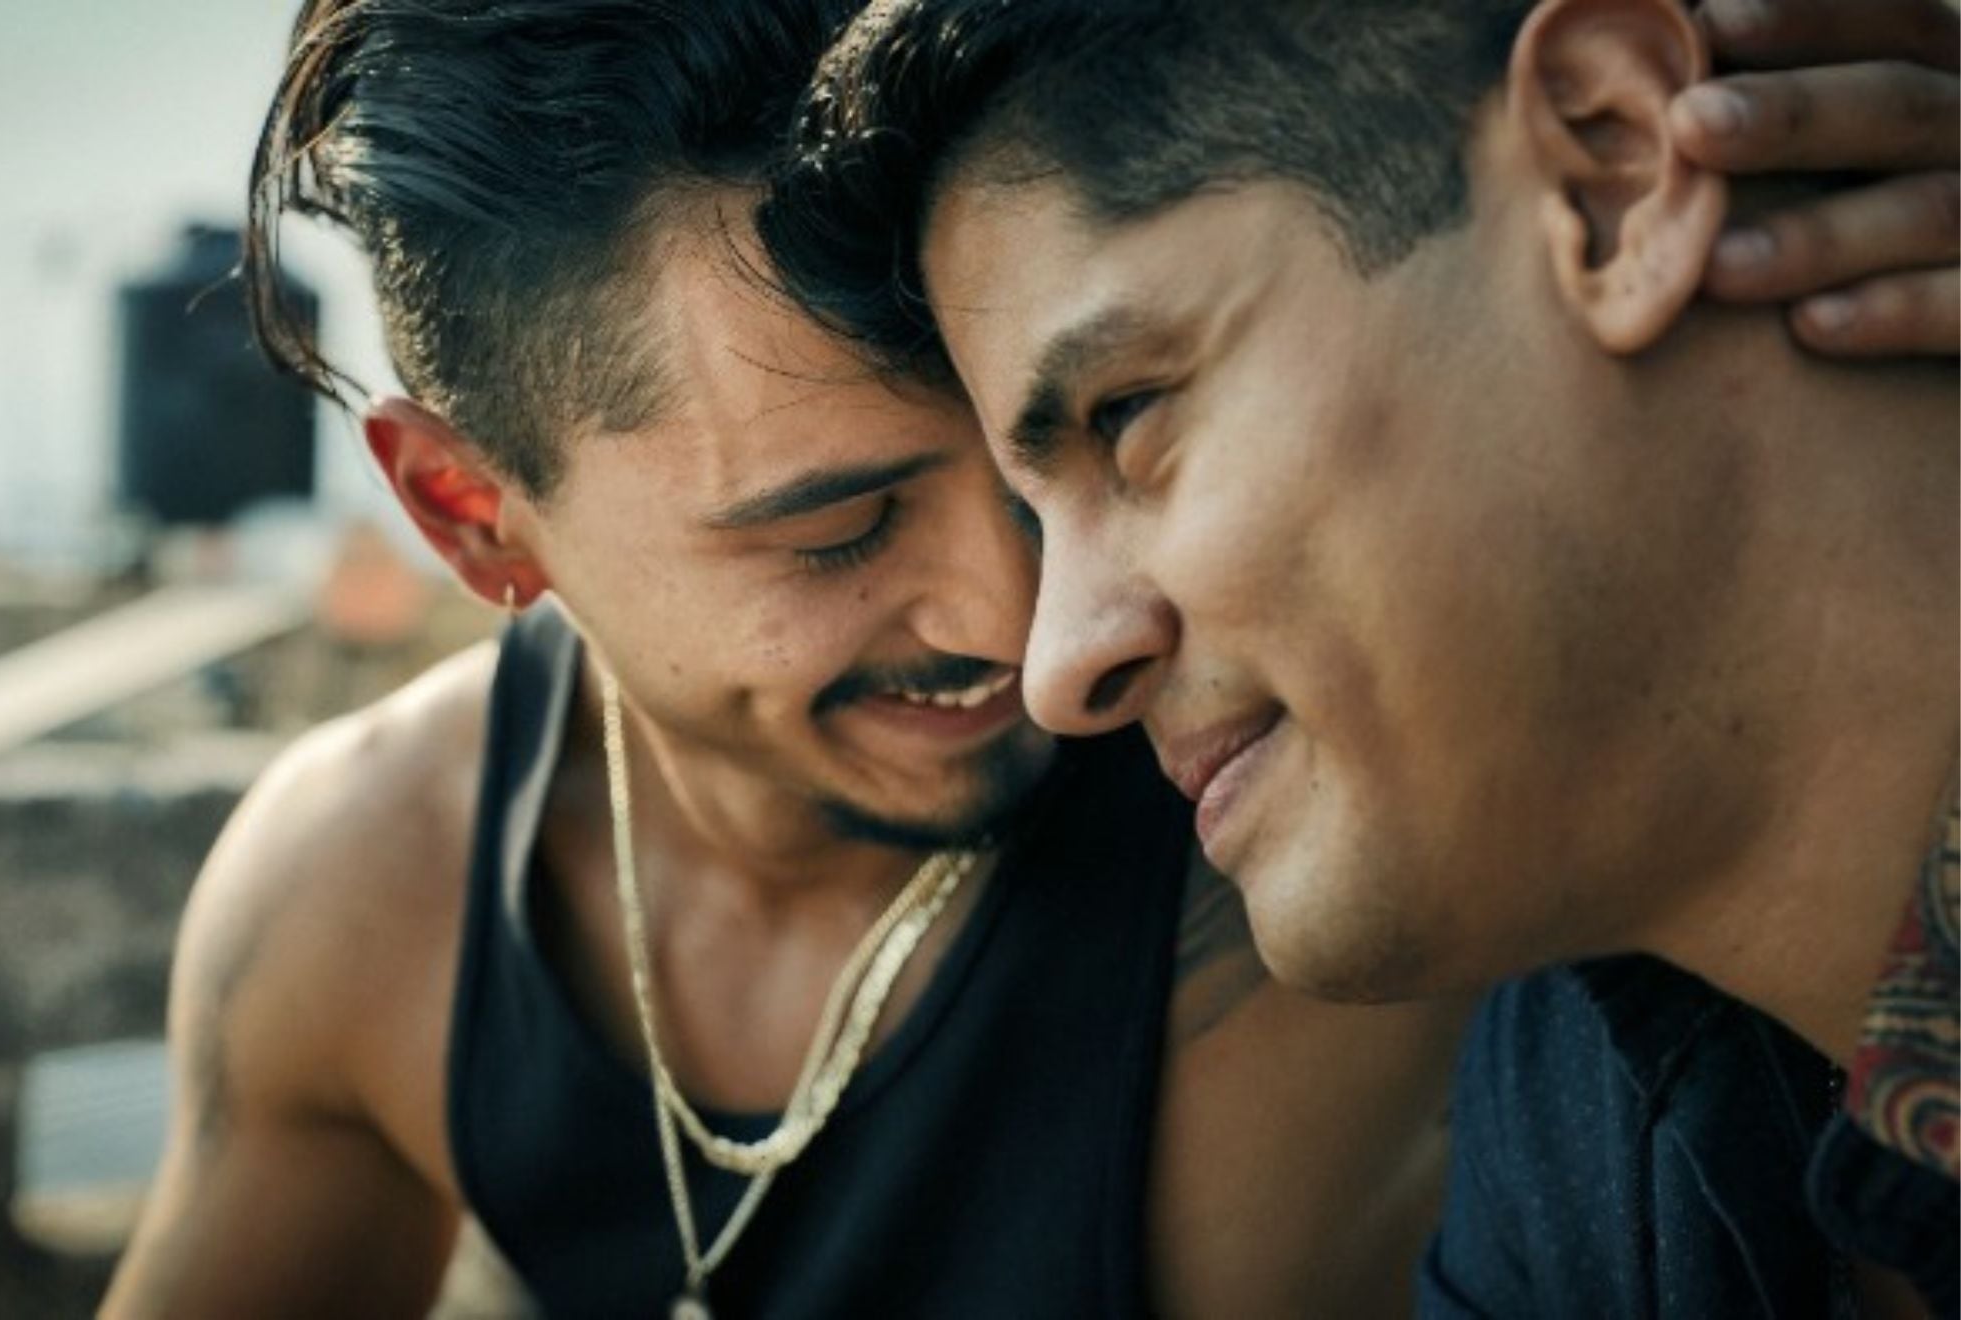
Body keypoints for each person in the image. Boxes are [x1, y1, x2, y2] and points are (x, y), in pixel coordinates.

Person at [101, 4, 1468, 1316]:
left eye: (1049, 452)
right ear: (472, 513)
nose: (1024, 625)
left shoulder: (1301, 862)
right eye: (840, 531)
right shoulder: (372, 898)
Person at [757, 0, 1957, 1314]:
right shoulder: (1571, 1126)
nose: (1055, 665)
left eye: (1130, 415)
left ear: (1612, 170)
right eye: (1039, 520)